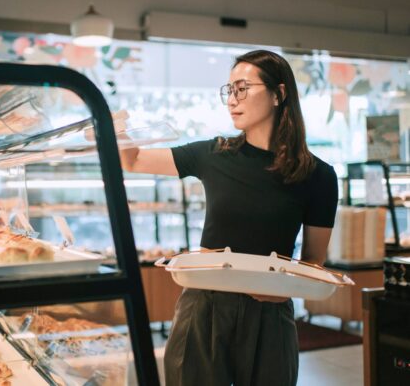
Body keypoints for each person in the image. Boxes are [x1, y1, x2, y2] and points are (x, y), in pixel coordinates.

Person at [120, 50, 338, 386]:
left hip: (270, 311)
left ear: (279, 94)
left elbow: (313, 260)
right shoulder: (214, 154)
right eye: (229, 90)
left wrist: (284, 291)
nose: (232, 100)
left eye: (242, 89)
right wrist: (114, 127)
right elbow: (132, 161)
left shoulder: (318, 175)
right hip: (204, 305)